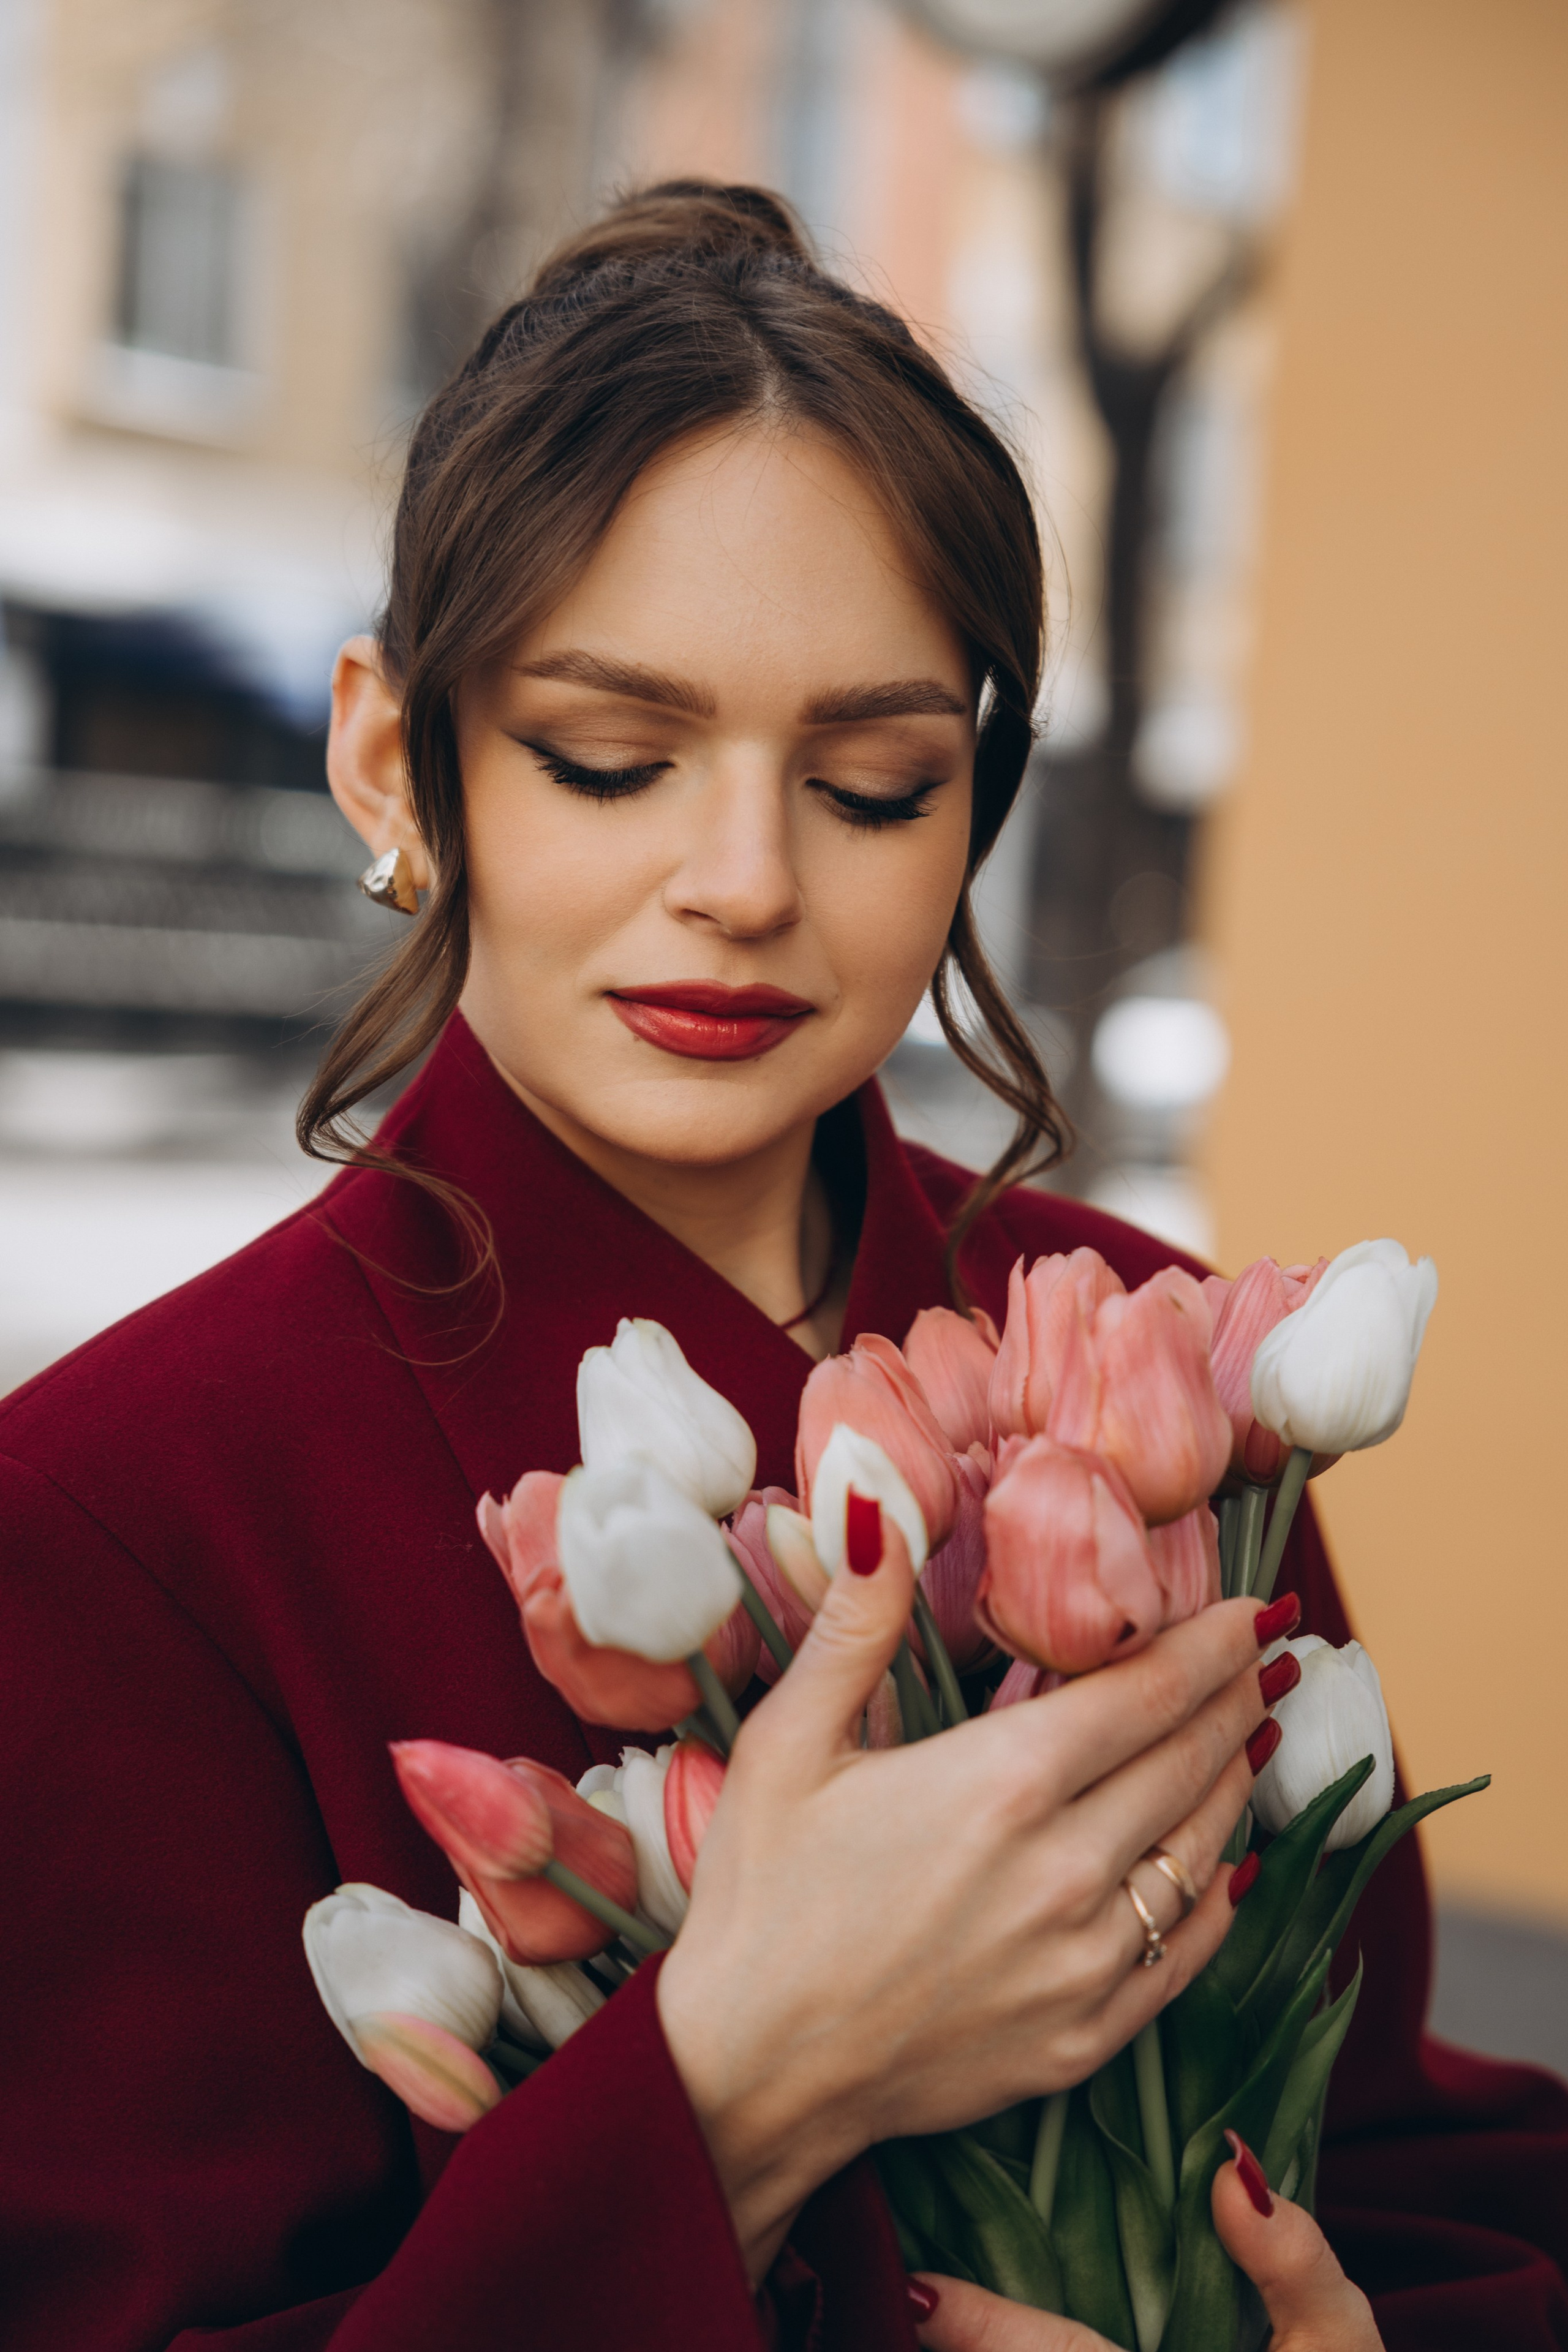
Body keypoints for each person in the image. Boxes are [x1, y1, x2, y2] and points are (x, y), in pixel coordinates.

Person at [1, 184, 1562, 2352]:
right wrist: (737, 2086)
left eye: (870, 783)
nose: (741, 883)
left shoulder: (1156, 1369)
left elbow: (1398, 2147)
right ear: (398, 760)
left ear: (976, 807)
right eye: (610, 761)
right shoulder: (108, 1519)